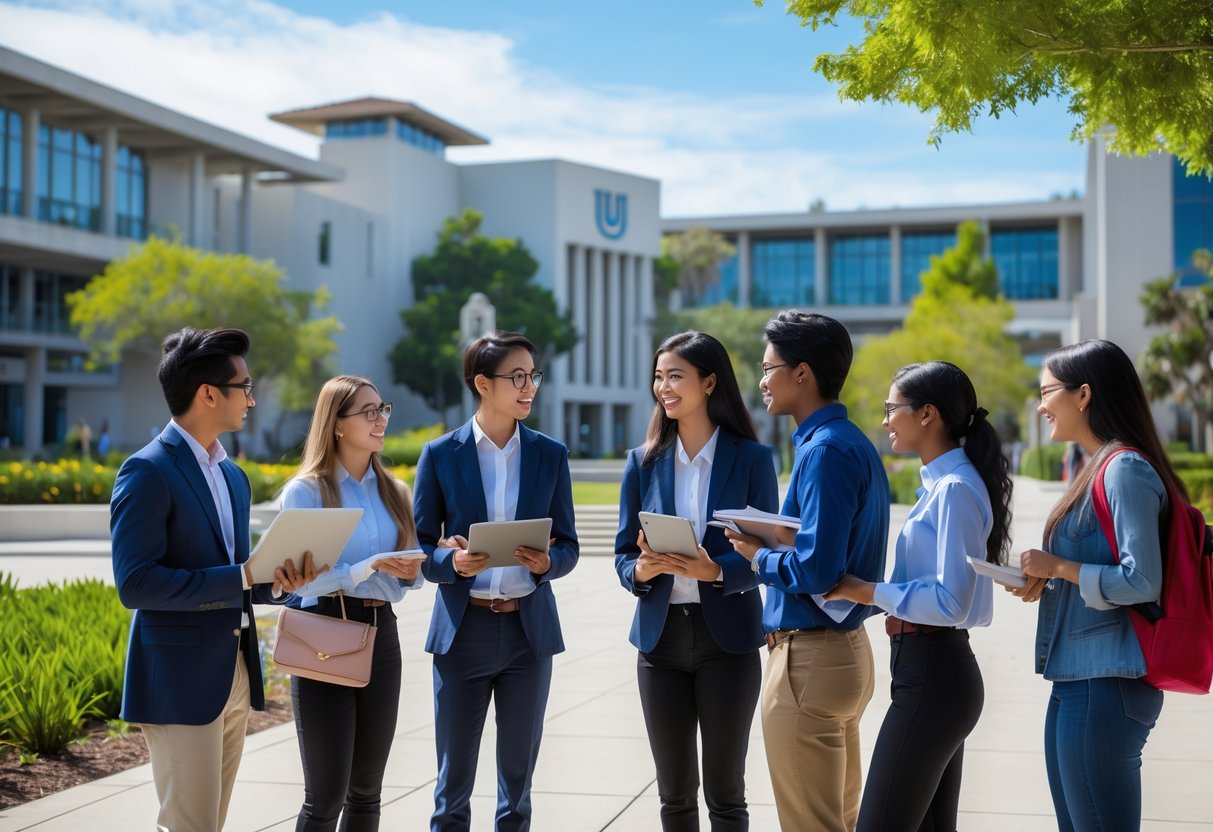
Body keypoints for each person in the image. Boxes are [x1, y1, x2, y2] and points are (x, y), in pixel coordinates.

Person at [110, 326, 317, 832]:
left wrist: (279, 580)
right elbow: (136, 584)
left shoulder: (232, 476)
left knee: (210, 823)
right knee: (190, 825)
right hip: (179, 678)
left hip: (234, 670)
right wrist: (241, 575)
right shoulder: (146, 471)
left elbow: (240, 574)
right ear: (208, 394)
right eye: (244, 387)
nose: (251, 398)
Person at [824, 361, 1014, 831]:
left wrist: (864, 590)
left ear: (927, 414)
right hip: (929, 671)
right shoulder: (943, 485)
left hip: (935, 673)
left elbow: (952, 602)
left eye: (892, 409)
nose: (885, 420)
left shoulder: (955, 490)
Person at [725, 310, 889, 832]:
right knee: (838, 819)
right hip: (843, 653)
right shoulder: (850, 441)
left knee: (811, 824)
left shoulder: (824, 450)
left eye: (768, 368)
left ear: (802, 373)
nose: (762, 381)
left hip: (809, 659)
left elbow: (817, 571)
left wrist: (757, 554)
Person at [414, 330, 579, 832]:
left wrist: (546, 563)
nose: (530, 387)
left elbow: (569, 546)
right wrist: (452, 564)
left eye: (533, 376)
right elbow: (421, 551)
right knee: (452, 786)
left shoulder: (550, 454)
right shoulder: (441, 454)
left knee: (517, 789)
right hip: (463, 633)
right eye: (517, 377)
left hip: (529, 635)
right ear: (483, 384)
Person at [614, 331, 778, 831]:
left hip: (726, 641)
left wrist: (715, 571)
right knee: (675, 795)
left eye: (675, 376)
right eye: (658, 377)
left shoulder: (752, 459)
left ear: (709, 382)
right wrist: (641, 570)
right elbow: (624, 556)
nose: (663, 387)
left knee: (726, 794)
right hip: (659, 642)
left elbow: (768, 553)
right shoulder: (642, 462)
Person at [1011, 339, 1174, 831]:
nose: (1040, 406)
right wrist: (1049, 579)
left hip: (1106, 685)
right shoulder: (1096, 467)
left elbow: (1141, 579)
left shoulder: (1124, 469)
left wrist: (1060, 567)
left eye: (1047, 393)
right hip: (1078, 681)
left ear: (1083, 395)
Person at [280, 375, 426, 832]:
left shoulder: (396, 492)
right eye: (369, 412)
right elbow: (300, 582)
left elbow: (408, 575)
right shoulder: (306, 492)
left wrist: (411, 569)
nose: (381, 419)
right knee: (325, 797)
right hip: (323, 634)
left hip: (383, 637)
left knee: (366, 792)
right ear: (338, 423)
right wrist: (366, 568)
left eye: (383, 409)